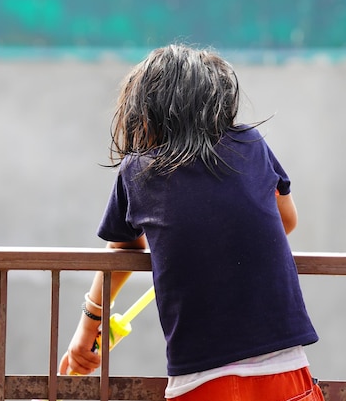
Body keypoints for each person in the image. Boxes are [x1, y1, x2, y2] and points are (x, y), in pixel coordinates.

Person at [59, 44, 324, 401]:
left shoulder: (138, 170)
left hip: (200, 380)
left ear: (146, 111)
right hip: (284, 372)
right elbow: (286, 220)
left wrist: (87, 328)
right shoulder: (250, 142)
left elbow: (121, 249)